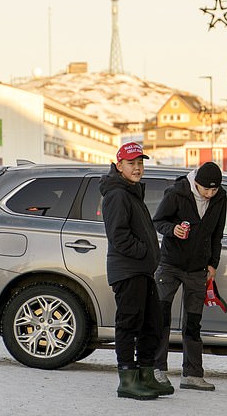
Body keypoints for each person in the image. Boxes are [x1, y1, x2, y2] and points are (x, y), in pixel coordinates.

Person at [99, 142, 174, 400]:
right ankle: (127, 380)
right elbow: (118, 236)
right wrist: (144, 251)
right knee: (129, 324)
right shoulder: (117, 195)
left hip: (142, 270)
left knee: (151, 323)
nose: (138, 168)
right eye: (132, 163)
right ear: (119, 166)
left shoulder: (131, 192)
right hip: (128, 270)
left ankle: (146, 374)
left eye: (140, 163)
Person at [152, 161, 227, 391]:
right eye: (206, 190)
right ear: (196, 184)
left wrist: (213, 264)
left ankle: (192, 374)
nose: (210, 194)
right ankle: (156, 369)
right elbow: (159, 221)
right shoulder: (177, 193)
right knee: (161, 317)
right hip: (170, 264)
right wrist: (173, 229)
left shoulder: (220, 197)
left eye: (214, 190)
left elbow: (217, 233)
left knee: (193, 322)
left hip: (197, 269)